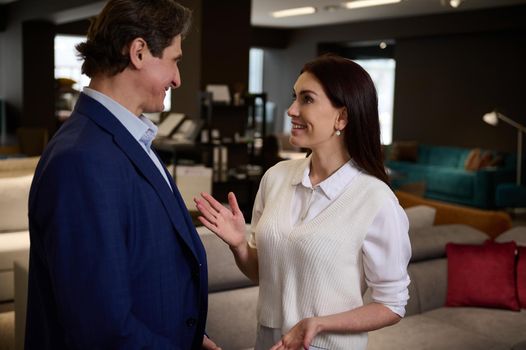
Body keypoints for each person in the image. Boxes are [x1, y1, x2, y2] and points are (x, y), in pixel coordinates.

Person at [25, 1, 220, 349]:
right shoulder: (81, 160)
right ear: (139, 52)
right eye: (175, 60)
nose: (178, 78)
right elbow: (101, 327)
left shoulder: (127, 138)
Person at [194, 55, 411, 350]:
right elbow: (264, 274)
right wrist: (240, 246)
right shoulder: (275, 178)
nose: (291, 110)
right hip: (267, 342)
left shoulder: (376, 199)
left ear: (342, 117)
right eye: (294, 97)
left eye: (306, 99)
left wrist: (319, 323)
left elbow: (392, 305)